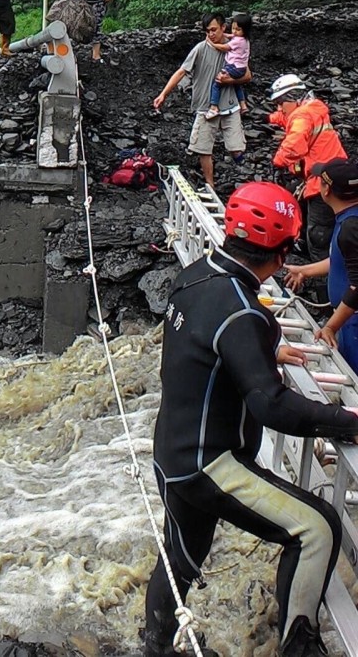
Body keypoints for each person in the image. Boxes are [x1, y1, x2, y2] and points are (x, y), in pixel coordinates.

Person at [146, 181, 358, 657]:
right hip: (210, 461)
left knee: (181, 557)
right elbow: (271, 405)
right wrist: (346, 420)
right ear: (280, 256)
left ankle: (155, 645)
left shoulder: (197, 275)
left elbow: (205, 344)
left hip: (170, 450)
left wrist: (262, 351)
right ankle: (299, 648)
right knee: (317, 526)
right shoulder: (244, 311)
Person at [268, 74, 347, 303]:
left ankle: (326, 300)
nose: (280, 108)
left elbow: (293, 145)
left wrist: (279, 160)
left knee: (319, 238)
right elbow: (288, 120)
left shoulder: (302, 116)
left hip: (323, 184)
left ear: (292, 98)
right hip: (335, 175)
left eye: (281, 102)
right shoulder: (314, 109)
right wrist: (269, 118)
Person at [152, 11, 248, 188]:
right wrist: (163, 94)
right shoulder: (200, 49)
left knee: (236, 147)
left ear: (223, 28)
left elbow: (247, 75)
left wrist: (230, 80)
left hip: (229, 106)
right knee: (203, 149)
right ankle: (210, 183)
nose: (211, 34)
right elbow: (182, 71)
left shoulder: (235, 46)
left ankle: (241, 167)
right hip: (205, 107)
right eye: (207, 31)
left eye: (214, 30)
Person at [285, 158, 358, 372]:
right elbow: (341, 259)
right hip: (347, 318)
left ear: (327, 191)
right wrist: (304, 271)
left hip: (352, 321)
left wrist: (330, 326)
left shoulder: (350, 229)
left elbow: (357, 287)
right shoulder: (349, 220)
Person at [204, 12, 252, 119]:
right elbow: (232, 36)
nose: (234, 31)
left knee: (217, 82)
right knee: (237, 85)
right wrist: (224, 34)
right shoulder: (244, 39)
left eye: (237, 29)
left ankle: (214, 107)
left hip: (233, 67)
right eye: (233, 28)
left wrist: (211, 43)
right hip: (242, 68)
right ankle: (243, 105)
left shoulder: (238, 41)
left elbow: (224, 48)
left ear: (245, 30)